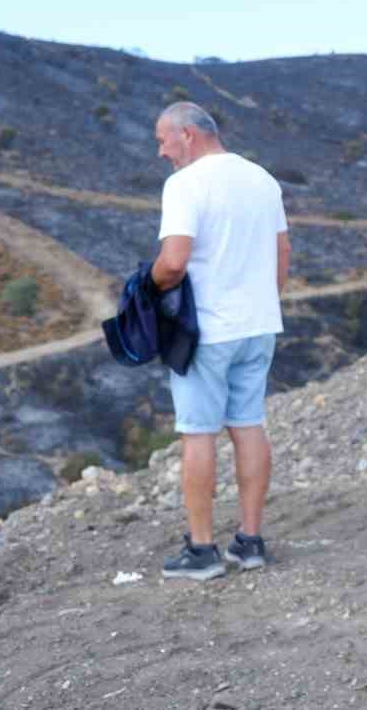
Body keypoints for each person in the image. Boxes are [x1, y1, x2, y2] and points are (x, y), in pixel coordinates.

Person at [151, 102, 289, 580]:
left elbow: (173, 262)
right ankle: (250, 542)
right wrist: (262, 303)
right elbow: (282, 255)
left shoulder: (185, 185)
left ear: (187, 134)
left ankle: (203, 550)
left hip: (207, 331)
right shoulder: (262, 179)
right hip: (259, 325)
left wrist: (146, 289)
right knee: (249, 424)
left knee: (199, 433)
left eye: (163, 140)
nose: (161, 152)